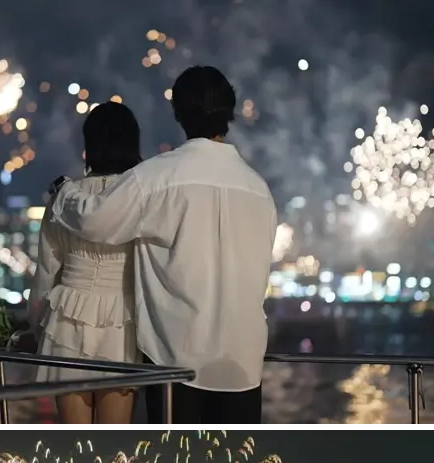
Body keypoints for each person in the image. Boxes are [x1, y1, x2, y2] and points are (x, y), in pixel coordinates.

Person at [50, 65, 277, 428]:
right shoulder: (257, 188)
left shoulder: (156, 177)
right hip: (242, 362)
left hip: (176, 359)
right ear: (229, 113)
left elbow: (96, 222)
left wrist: (64, 191)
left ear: (178, 114)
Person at [27, 101, 143, 427]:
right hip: (121, 319)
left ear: (88, 145)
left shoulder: (66, 196)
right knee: (114, 450)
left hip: (67, 316)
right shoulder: (139, 197)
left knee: (74, 448)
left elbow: (47, 270)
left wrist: (33, 325)